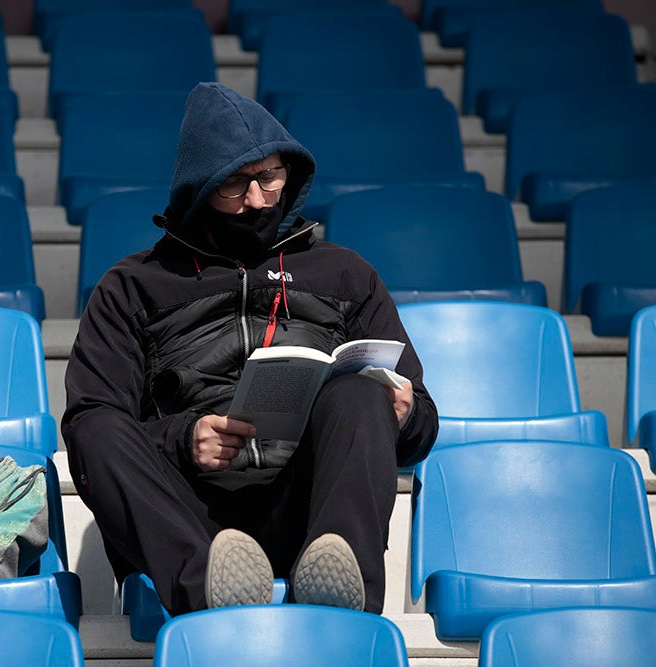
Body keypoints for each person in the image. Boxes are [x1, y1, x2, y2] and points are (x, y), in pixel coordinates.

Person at [61, 82, 438, 616]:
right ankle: (206, 583)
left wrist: (401, 413)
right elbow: (93, 416)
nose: (259, 199)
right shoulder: (133, 285)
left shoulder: (347, 273)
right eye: (235, 185)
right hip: (187, 512)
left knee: (360, 393)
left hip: (307, 507)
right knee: (93, 428)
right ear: (198, 188)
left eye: (270, 176)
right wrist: (183, 439)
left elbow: (423, 418)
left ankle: (340, 581)